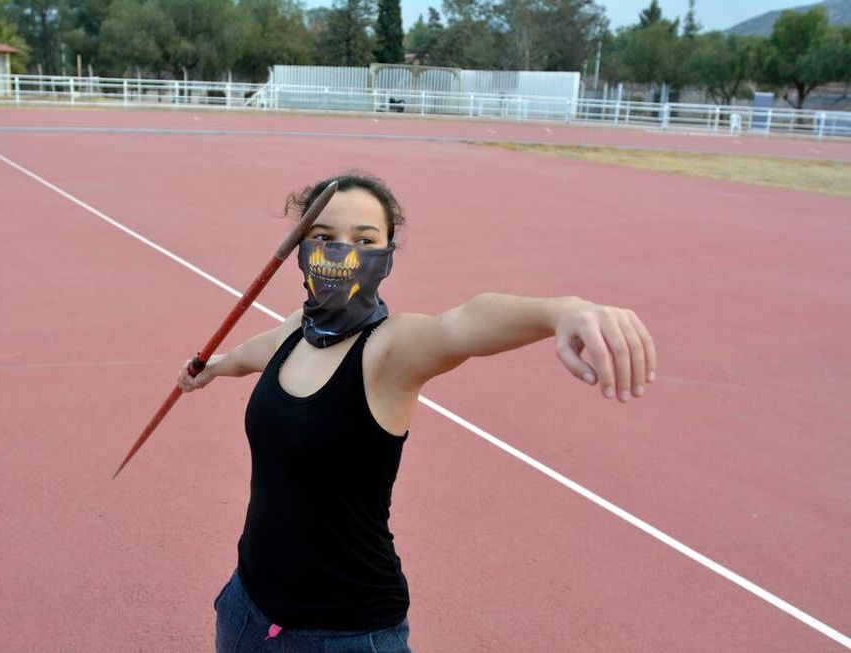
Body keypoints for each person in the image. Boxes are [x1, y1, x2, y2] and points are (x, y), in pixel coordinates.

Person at [178, 172, 656, 652]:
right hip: (247, 609)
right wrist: (213, 368)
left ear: (385, 257)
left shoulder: (390, 351)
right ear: (299, 249)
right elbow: (252, 353)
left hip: (344, 634)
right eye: (324, 238)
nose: (343, 252)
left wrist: (564, 311)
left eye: (364, 240)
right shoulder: (292, 334)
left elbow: (463, 323)